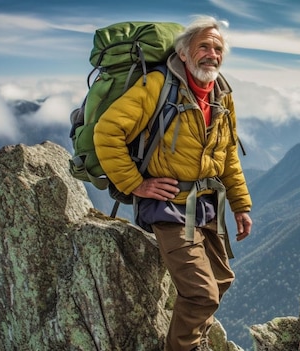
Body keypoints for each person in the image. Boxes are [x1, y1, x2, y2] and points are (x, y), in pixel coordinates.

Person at [94, 16, 252, 351]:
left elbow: (228, 155)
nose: (212, 54)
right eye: (203, 47)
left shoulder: (222, 95)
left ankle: (187, 340)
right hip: (167, 205)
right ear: (183, 53)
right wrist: (136, 184)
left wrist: (240, 206)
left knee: (221, 280)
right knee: (200, 293)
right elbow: (107, 132)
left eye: (217, 48)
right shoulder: (157, 85)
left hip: (207, 204)